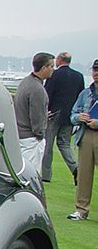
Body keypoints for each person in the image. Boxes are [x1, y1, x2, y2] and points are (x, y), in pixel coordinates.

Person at [14, 52, 55, 187]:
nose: (52, 70)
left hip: (20, 134)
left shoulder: (26, 82)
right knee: (30, 176)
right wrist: (40, 134)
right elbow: (36, 118)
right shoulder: (37, 89)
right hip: (31, 138)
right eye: (51, 66)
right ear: (43, 68)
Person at [42, 51, 85, 183]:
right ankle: (75, 168)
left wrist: (45, 111)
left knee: (48, 145)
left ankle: (45, 175)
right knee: (64, 144)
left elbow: (47, 94)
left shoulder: (54, 74)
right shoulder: (79, 76)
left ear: (59, 60)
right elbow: (80, 96)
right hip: (69, 114)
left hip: (54, 113)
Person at [67, 60, 98, 220]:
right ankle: (81, 209)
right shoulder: (86, 93)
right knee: (84, 174)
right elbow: (72, 115)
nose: (96, 74)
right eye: (95, 70)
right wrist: (79, 117)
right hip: (85, 134)